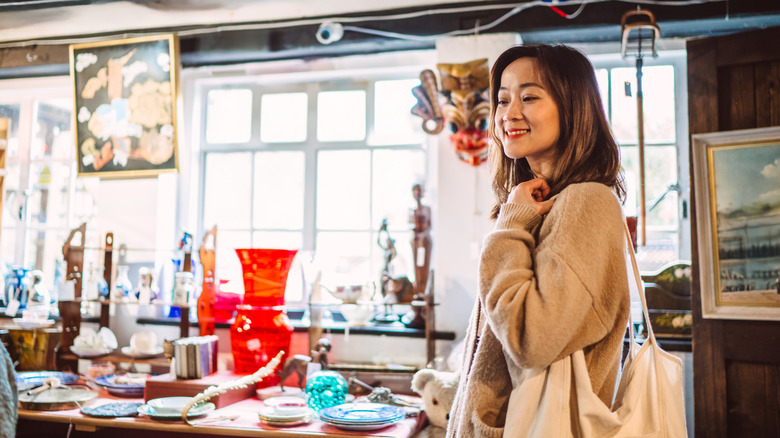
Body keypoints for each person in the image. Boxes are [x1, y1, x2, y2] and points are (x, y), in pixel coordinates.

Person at [446, 44, 631, 437]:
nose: (508, 114)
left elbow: (532, 339)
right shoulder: (541, 204)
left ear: (574, 106)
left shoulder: (587, 201)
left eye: (529, 97)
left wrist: (511, 224)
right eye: (502, 99)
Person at [410, 183, 432, 296]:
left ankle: (423, 290)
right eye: (415, 190)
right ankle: (418, 289)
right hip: (415, 241)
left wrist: (423, 235)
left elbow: (429, 226)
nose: (417, 193)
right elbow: (410, 225)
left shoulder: (427, 209)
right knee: (417, 267)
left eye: (419, 190)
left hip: (425, 241)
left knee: (424, 266)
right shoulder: (411, 210)